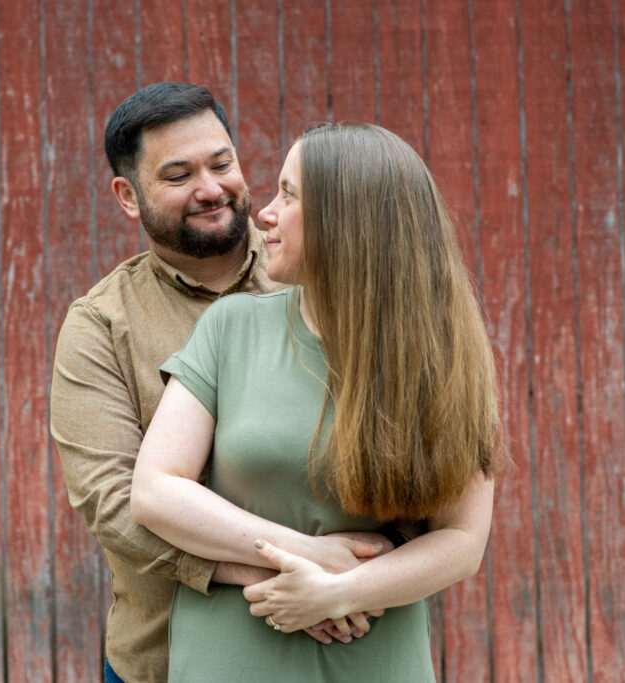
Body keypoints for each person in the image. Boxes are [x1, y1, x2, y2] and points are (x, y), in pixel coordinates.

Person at [131, 123, 509, 681]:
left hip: (376, 661)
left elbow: (461, 541)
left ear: (346, 221)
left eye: (289, 194)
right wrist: (305, 556)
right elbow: (155, 491)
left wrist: (338, 592)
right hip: (232, 661)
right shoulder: (230, 329)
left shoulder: (445, 356)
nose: (265, 214)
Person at [51, 84, 393, 683]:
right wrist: (289, 569)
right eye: (179, 174)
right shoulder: (101, 326)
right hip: (160, 660)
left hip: (346, 643)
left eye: (222, 162)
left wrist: (361, 575)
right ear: (128, 196)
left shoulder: (322, 278)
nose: (211, 189)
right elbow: (115, 505)